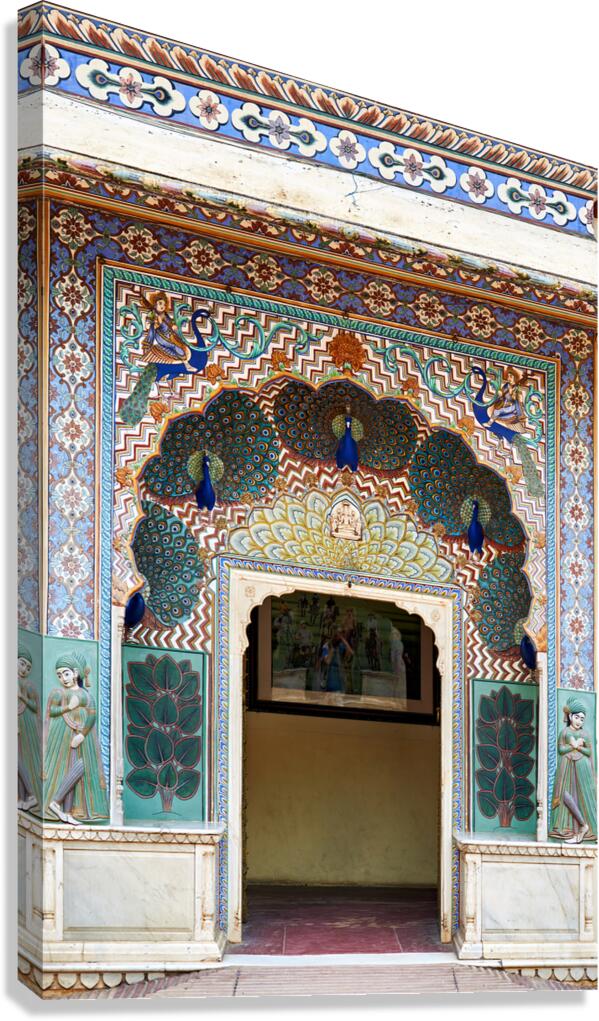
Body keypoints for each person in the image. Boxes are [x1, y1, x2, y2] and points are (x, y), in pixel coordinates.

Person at [43, 652, 109, 824]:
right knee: (71, 769)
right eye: (59, 675)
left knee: (78, 769)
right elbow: (52, 712)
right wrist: (67, 708)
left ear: (75, 673)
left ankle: (65, 810)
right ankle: (58, 804)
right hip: (64, 736)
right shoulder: (59, 693)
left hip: (81, 737)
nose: (63, 678)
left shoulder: (86, 695)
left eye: (66, 673)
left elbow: (92, 715)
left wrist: (82, 735)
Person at [549, 698, 596, 843]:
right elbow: (561, 749)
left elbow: (589, 752)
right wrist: (573, 745)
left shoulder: (585, 734)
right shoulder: (564, 732)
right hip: (566, 766)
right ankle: (581, 825)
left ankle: (585, 827)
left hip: (582, 767)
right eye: (577, 717)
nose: (579, 721)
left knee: (582, 796)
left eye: (582, 719)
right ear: (570, 717)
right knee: (564, 794)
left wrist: (579, 746)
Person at [17, 645, 42, 812]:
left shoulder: (27, 685)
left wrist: (22, 698)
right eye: (22, 664)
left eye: (28, 667)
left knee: (18, 759)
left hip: (23, 725)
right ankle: (21, 797)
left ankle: (31, 795)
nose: (25, 669)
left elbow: (35, 707)